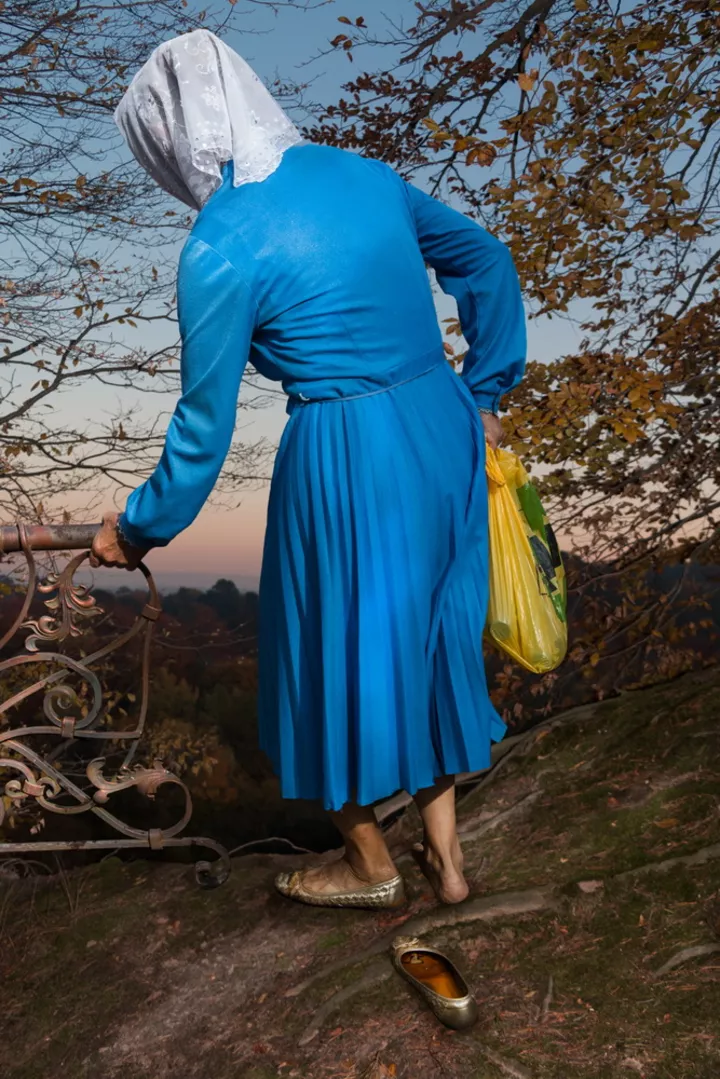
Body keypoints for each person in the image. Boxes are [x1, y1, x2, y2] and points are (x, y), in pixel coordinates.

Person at [92, 28, 526, 909]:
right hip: (440, 424)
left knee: (320, 657)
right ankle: (448, 862)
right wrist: (484, 389)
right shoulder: (360, 173)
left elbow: (203, 427)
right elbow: (486, 256)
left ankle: (370, 864)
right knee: (427, 637)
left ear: (172, 138)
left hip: (346, 450)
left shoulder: (218, 246)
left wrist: (137, 527)